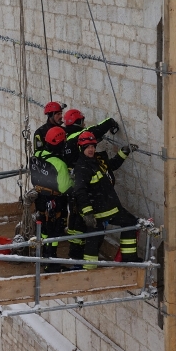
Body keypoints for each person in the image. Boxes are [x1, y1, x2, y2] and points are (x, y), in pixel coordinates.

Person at [73, 131, 139, 269]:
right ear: (81, 148)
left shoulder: (97, 160)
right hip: (97, 211)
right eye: (87, 147)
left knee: (131, 223)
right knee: (94, 240)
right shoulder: (82, 168)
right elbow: (80, 191)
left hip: (111, 208)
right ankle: (89, 271)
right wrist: (88, 213)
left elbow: (111, 165)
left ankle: (129, 260)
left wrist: (124, 153)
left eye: (93, 146)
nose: (91, 149)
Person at [63, 109, 119, 261]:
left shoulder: (65, 137)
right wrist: (111, 122)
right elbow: (96, 129)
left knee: (75, 222)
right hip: (83, 184)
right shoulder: (77, 137)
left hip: (72, 184)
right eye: (82, 121)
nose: (84, 124)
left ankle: (75, 255)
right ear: (78, 122)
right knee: (86, 225)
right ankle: (82, 257)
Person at [30, 126, 73, 272]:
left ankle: (42, 255)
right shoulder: (59, 164)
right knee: (54, 230)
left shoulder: (37, 154)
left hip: (40, 197)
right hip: (54, 200)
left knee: (43, 226)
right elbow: (65, 188)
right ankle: (51, 261)